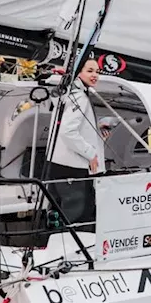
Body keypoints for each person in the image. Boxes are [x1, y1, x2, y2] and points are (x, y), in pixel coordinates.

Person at [47, 57, 106, 224]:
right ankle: (71, 246)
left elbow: (70, 128)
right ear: (78, 73)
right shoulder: (79, 97)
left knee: (57, 211)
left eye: (97, 71)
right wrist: (91, 154)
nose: (95, 75)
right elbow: (68, 131)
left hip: (58, 164)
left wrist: (96, 132)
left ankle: (51, 242)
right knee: (78, 214)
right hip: (74, 168)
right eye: (90, 71)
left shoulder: (67, 96)